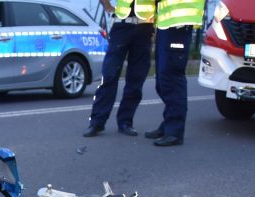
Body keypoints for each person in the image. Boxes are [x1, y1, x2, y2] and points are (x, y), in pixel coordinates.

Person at [83, 0, 156, 138]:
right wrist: (108, 7)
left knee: (136, 78)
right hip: (121, 25)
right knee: (109, 76)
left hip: (145, 28)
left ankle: (125, 122)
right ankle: (97, 122)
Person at [145, 0, 205, 146]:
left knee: (172, 79)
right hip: (167, 25)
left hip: (179, 24)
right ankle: (168, 124)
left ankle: (175, 132)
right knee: (162, 80)